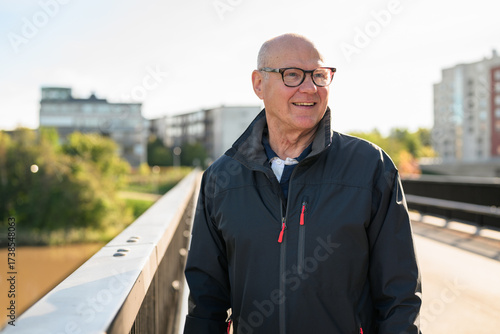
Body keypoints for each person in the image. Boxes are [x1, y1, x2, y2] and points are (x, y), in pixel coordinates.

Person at [183, 33, 422, 334]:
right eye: (292, 75)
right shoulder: (221, 178)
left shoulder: (371, 166)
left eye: (319, 76)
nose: (309, 88)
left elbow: (399, 295)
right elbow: (206, 301)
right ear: (259, 84)